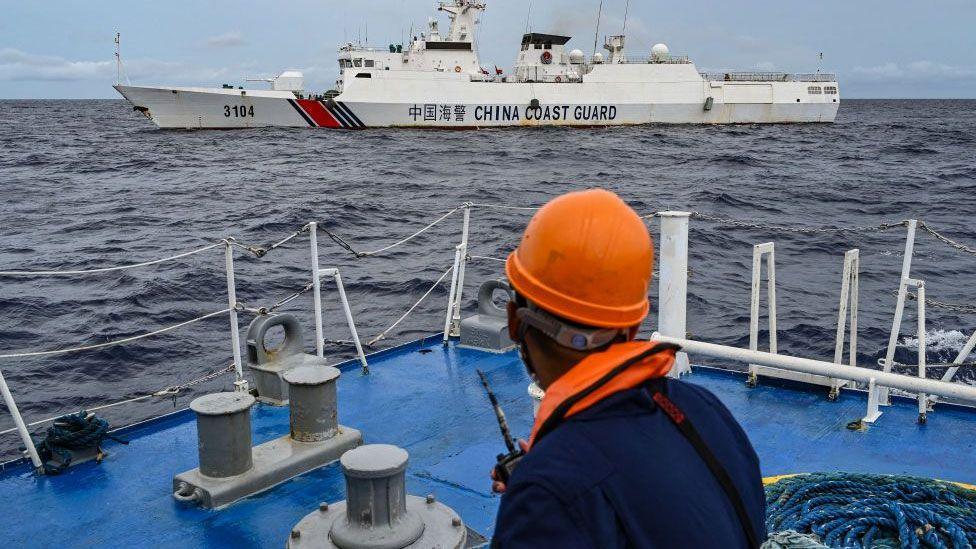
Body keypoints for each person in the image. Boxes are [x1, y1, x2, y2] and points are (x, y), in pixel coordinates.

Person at [491, 189, 767, 548]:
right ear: (633, 325)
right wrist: (554, 470)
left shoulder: (545, 493)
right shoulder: (704, 407)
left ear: (514, 322)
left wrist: (546, 484)